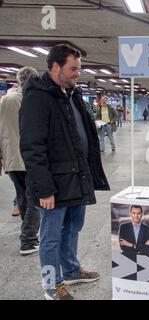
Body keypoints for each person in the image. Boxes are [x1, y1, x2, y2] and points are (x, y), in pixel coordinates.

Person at [19, 44, 110, 300]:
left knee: (73, 227)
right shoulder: (38, 97)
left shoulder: (71, 94)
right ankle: (52, 283)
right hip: (53, 185)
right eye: (73, 69)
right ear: (55, 67)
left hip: (76, 178)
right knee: (50, 237)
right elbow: (32, 147)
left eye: (79, 69)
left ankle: (70, 270)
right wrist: (44, 188)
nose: (76, 74)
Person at [0, 66, 40, 255]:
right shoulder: (28, 99)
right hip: (28, 158)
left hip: (11, 158)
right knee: (35, 200)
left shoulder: (6, 99)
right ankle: (28, 241)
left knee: (23, 197)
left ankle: (27, 233)